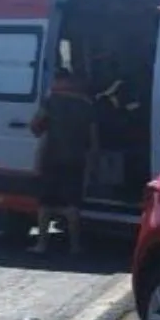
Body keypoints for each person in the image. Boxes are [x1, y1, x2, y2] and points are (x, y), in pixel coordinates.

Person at [28, 64, 98, 255]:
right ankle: (75, 246)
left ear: (58, 81)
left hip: (51, 156)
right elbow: (93, 139)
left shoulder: (51, 101)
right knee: (72, 205)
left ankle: (41, 245)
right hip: (76, 158)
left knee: (45, 204)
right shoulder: (86, 104)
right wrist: (92, 162)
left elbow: (35, 127)